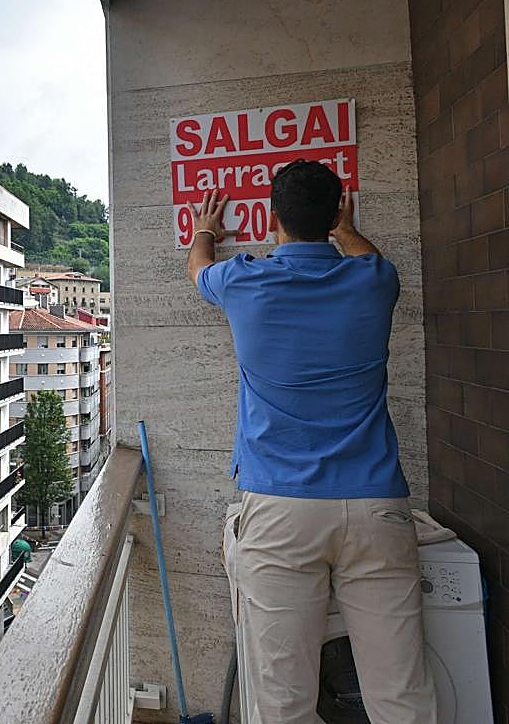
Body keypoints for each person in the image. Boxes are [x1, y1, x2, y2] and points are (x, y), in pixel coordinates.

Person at [186, 159, 436, 724]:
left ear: (273, 217)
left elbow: (198, 266)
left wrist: (207, 228)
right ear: (336, 213)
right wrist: (344, 228)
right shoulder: (375, 281)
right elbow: (366, 253)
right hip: (376, 508)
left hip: (279, 514)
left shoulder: (242, 281)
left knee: (283, 701)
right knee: (401, 694)